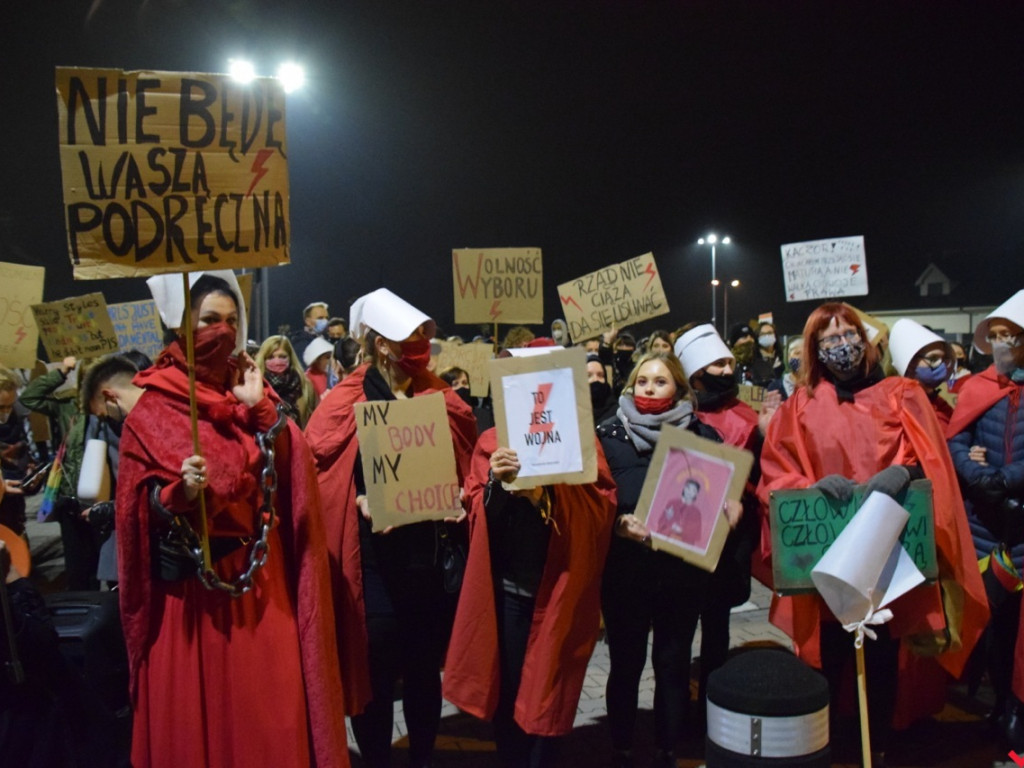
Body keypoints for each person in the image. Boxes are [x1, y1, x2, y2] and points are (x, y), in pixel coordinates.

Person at [117, 271, 348, 768]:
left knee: (269, 715)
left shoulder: (252, 392)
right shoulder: (151, 407)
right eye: (207, 321)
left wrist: (261, 408)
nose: (220, 331)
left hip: (260, 587)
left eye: (229, 320)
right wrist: (176, 497)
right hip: (192, 598)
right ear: (181, 327)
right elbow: (133, 514)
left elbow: (295, 470)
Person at [756, 302, 988, 766]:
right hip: (828, 557)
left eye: (849, 334)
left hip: (888, 554)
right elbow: (777, 473)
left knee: (882, 658)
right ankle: (828, 746)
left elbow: (932, 462)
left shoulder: (902, 393)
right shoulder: (799, 405)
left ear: (866, 339)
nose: (842, 345)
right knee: (830, 658)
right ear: (815, 349)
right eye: (829, 338)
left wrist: (903, 472)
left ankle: (876, 746)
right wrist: (811, 486)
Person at [305, 287, 477, 768]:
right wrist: (354, 496)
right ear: (381, 343)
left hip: (425, 554)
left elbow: (464, 459)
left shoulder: (438, 395)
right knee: (374, 664)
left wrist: (460, 494)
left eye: (426, 333)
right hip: (371, 561)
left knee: (424, 669)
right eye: (412, 335)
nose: (422, 342)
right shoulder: (345, 400)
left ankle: (422, 758)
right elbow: (317, 464)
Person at [443, 354, 617, 767]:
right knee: (509, 693)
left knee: (550, 692)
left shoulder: (580, 441)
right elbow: (478, 516)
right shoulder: (491, 442)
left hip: (558, 592)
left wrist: (547, 496)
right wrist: (498, 487)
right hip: (508, 594)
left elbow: (600, 508)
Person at [596, 351, 741, 767]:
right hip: (625, 573)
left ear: (679, 387)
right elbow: (592, 504)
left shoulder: (705, 438)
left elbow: (721, 499)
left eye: (660, 382)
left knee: (673, 664)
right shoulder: (606, 436)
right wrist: (618, 524)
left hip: (681, 576)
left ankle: (667, 750)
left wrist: (729, 511)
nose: (649, 389)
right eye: (642, 382)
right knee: (625, 663)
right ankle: (622, 747)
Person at [946, 289, 1024, 748]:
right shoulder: (975, 388)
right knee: (992, 621)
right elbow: (957, 441)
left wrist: (1007, 478)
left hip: (1021, 526)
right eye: (994, 336)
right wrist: (976, 472)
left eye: (1009, 335)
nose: (1001, 343)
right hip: (986, 528)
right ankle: (996, 702)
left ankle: (1016, 707)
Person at [674, 324, 763, 727]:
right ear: (695, 374)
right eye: (719, 364)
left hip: (731, 534)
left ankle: (711, 705)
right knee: (678, 623)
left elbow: (761, 471)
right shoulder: (678, 414)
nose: (728, 370)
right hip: (686, 528)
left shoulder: (748, 417)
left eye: (729, 362)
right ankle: (673, 708)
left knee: (717, 623)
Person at [889, 318, 955, 428]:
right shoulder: (895, 407)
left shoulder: (941, 406)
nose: (941, 365)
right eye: (933, 359)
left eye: (944, 359)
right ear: (910, 363)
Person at [255, 335, 317, 427]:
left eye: (282, 356)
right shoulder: (257, 386)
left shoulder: (304, 386)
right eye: (271, 357)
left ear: (290, 358)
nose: (277, 361)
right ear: (263, 359)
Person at [765, 336, 803, 402]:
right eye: (797, 353)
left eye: (806, 353)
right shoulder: (775, 387)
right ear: (788, 357)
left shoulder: (819, 386)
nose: (801, 357)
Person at [749, 321, 783, 387]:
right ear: (757, 337)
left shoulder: (782, 357)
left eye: (770, 333)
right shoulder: (753, 359)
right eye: (763, 334)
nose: (767, 336)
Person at [304, 336, 334, 400]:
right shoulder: (309, 377)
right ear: (317, 360)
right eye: (327, 357)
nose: (331, 360)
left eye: (332, 357)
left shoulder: (331, 375)